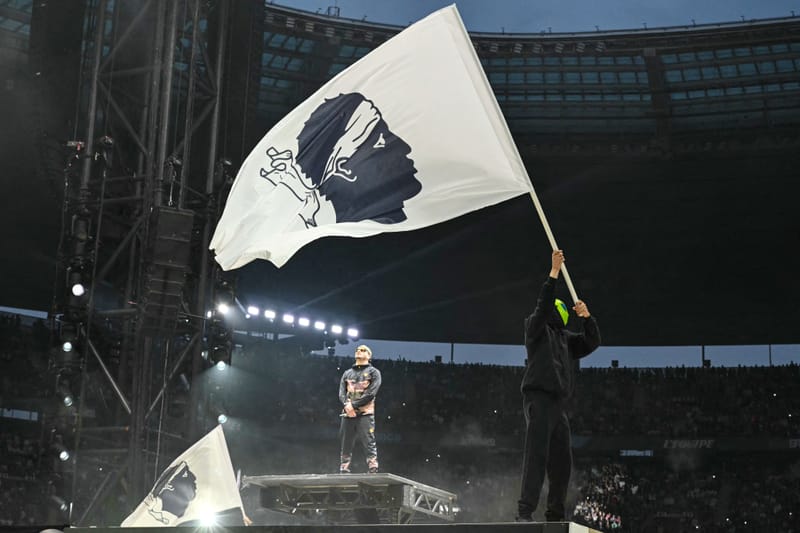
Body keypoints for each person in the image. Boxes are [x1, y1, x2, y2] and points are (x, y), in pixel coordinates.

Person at [517, 249, 601, 522]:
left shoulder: (566, 339)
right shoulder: (535, 328)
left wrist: (587, 318)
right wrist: (553, 273)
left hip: (558, 405)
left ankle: (554, 515)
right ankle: (525, 512)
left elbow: (592, 342)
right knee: (537, 455)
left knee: (562, 463)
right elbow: (542, 307)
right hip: (538, 399)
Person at [338, 344, 382, 473]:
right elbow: (341, 393)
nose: (359, 351)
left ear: (369, 355)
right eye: (357, 350)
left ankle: (373, 467)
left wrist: (353, 405)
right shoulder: (347, 373)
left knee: (368, 440)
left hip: (365, 413)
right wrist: (346, 405)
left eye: (363, 350)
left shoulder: (374, 372)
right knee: (346, 441)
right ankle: (344, 467)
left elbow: (371, 393)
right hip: (348, 413)